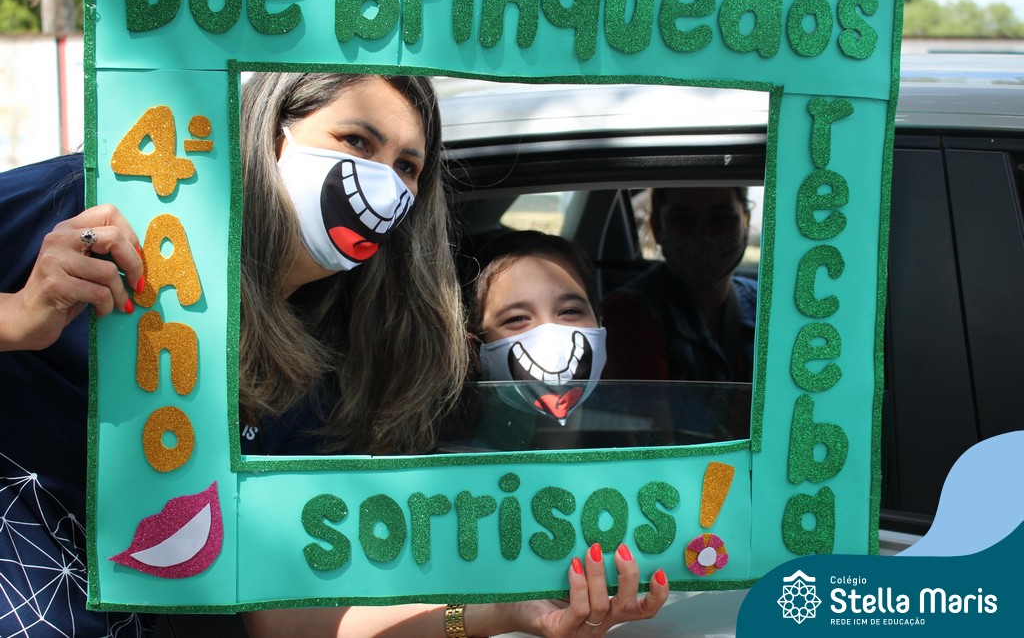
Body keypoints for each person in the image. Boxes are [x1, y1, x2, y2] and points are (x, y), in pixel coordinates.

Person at [0, 73, 668, 637]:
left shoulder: (346, 358)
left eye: (407, 166)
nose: (383, 184)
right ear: (272, 132)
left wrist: (505, 612)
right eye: (356, 141)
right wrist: (20, 316)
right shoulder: (102, 209)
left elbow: (285, 612)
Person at [602, 186, 757, 383]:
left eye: (722, 218)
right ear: (657, 228)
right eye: (683, 220)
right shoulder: (629, 313)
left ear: (746, 222)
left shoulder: (767, 304)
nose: (704, 234)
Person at [468, 230, 607, 426]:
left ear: (599, 321)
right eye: (517, 318)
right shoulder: (453, 445)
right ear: (476, 350)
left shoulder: (639, 429)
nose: (552, 342)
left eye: (570, 311)